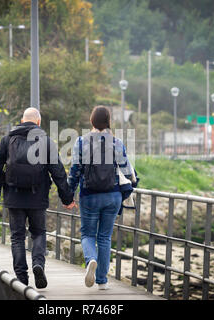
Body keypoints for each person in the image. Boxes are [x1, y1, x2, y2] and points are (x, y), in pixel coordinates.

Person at [0, 107, 76, 289]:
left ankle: (21, 279)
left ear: (22, 120)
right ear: (38, 122)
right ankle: (38, 264)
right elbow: (58, 172)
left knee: (17, 237)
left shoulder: (8, 139)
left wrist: (0, 182)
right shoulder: (45, 142)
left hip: (14, 196)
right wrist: (67, 198)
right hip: (37, 197)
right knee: (38, 233)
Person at [68, 106, 137, 290]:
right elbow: (127, 170)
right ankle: (102, 281)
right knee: (104, 237)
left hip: (89, 196)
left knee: (88, 234)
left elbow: (74, 171)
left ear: (91, 121)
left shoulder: (81, 142)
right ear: (108, 121)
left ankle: (91, 260)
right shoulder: (116, 142)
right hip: (112, 195)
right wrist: (132, 183)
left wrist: (69, 195)